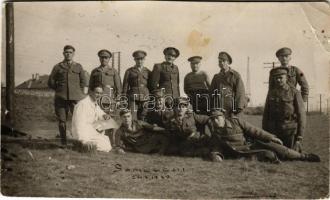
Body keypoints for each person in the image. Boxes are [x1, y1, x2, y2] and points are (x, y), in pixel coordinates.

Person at [208, 110, 320, 163]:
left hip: (252, 144)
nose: (215, 121)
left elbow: (255, 131)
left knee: (278, 147)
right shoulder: (215, 133)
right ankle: (274, 159)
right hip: (241, 153)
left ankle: (303, 156)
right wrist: (216, 156)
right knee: (268, 155)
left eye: (217, 118)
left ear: (223, 117)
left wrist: (271, 137)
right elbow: (215, 147)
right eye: (213, 119)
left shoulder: (236, 122)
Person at [48, 45, 88, 145]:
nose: (68, 54)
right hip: (61, 98)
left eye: (70, 52)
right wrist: (59, 89)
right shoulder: (58, 67)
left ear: (73, 54)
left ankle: (80, 141)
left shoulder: (78, 66)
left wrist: (79, 92)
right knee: (62, 121)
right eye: (66, 52)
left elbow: (83, 81)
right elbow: (51, 81)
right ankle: (63, 142)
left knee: (79, 120)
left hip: (75, 98)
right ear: (63, 53)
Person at [262, 67, 306, 152]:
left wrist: (299, 138)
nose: (278, 80)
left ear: (286, 78)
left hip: (289, 132)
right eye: (276, 78)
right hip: (273, 132)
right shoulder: (271, 92)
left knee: (289, 156)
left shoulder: (295, 93)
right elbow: (266, 114)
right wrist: (265, 134)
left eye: (281, 77)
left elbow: (302, 116)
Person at [71, 86, 118, 152]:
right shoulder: (83, 104)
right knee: (105, 146)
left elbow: (99, 112)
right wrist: (83, 141)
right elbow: (79, 124)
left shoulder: (94, 103)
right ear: (91, 92)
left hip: (90, 131)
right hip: (82, 133)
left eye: (101, 93)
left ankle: (89, 146)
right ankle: (81, 146)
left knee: (107, 143)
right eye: (97, 93)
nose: (99, 95)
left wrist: (104, 115)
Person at [210, 51, 246, 117]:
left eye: (224, 61)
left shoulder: (235, 75)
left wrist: (238, 108)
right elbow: (211, 93)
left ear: (228, 62)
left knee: (232, 126)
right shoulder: (216, 77)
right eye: (220, 61)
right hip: (219, 110)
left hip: (232, 109)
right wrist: (213, 108)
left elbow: (240, 92)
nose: (222, 63)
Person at [122, 50, 151, 120]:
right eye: (138, 59)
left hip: (145, 98)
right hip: (133, 98)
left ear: (144, 60)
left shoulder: (148, 71)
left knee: (144, 117)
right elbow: (125, 86)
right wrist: (124, 98)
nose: (140, 61)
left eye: (141, 59)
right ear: (134, 60)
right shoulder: (129, 71)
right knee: (133, 117)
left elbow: (151, 85)